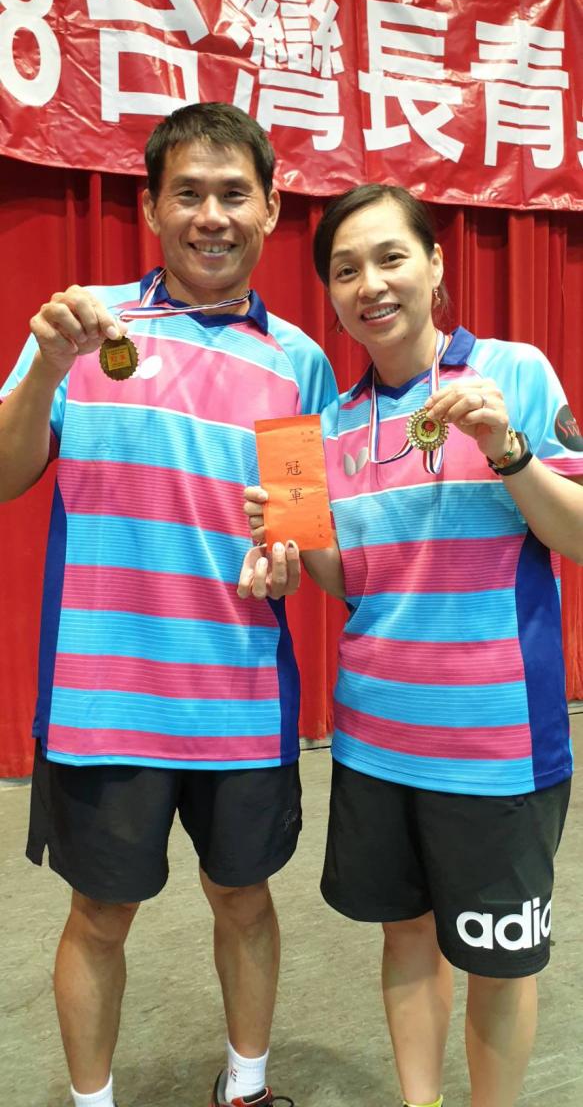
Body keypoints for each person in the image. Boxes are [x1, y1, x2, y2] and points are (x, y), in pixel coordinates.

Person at [0, 102, 337, 1107]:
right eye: (187, 193)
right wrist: (44, 365)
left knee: (244, 898)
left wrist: (286, 558)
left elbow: (298, 530)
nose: (211, 216)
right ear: (149, 208)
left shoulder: (298, 362)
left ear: (270, 210)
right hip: (103, 701)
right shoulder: (83, 327)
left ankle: (246, 1086)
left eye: (234, 194)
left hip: (240, 699)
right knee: (99, 916)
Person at [239, 183, 583, 1107]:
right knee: (405, 936)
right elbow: (350, 583)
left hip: (496, 746)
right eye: (345, 270)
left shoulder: (513, 371)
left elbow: (577, 534)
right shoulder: (323, 429)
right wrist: (286, 540)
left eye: (391, 257)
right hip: (375, 741)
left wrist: (508, 451)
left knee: (499, 965)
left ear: (434, 264)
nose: (371, 284)